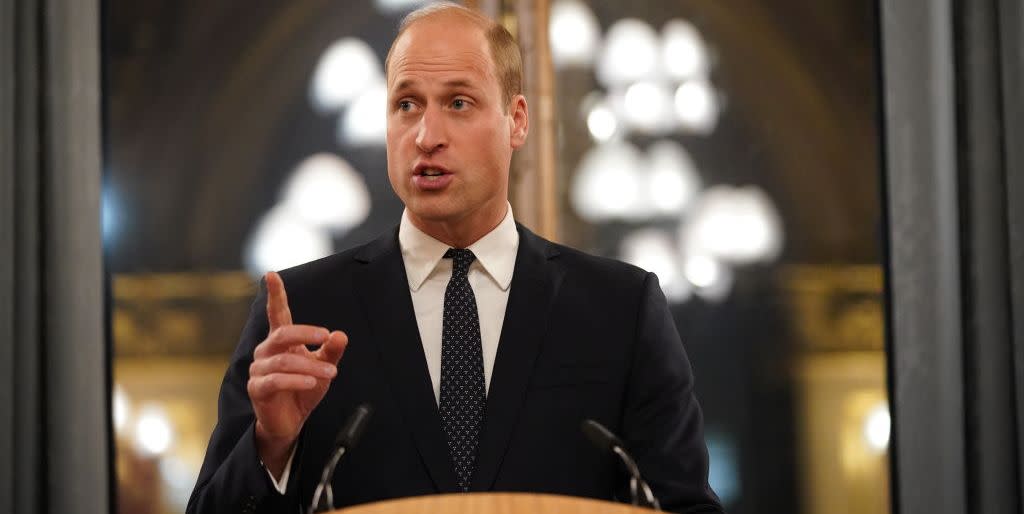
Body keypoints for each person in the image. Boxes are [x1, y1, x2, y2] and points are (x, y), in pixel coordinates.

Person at [187, 3, 723, 513]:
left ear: (516, 121)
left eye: (458, 103)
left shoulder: (620, 310)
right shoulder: (301, 311)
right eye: (406, 105)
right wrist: (271, 446)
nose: (426, 136)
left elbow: (682, 505)